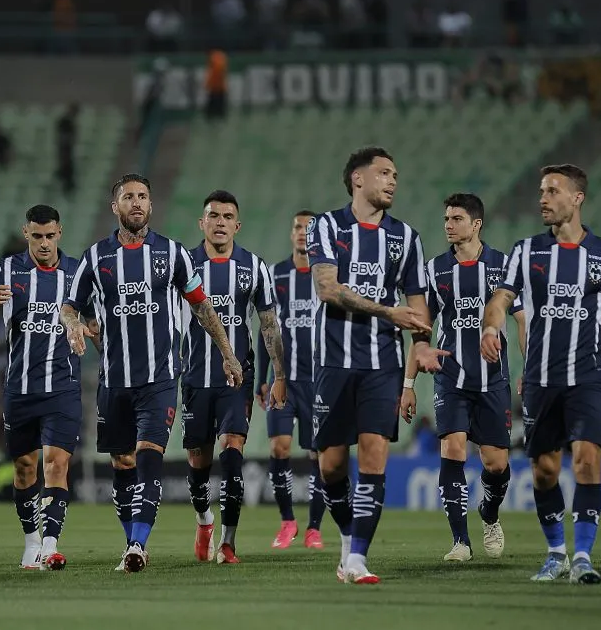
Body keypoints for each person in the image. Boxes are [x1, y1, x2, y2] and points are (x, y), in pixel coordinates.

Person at [60, 173, 244, 573]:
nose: (137, 202)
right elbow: (70, 305)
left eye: (143, 195)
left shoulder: (172, 254)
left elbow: (202, 307)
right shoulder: (95, 257)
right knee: (122, 463)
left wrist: (228, 354)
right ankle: (132, 542)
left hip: (160, 380)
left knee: (148, 458)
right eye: (129, 197)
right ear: (116, 207)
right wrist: (73, 325)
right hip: (114, 380)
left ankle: (139, 546)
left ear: (151, 205)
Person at [481, 164, 601, 584]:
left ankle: (583, 555)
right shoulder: (526, 251)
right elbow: (500, 298)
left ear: (577, 198)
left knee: (588, 462)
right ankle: (555, 552)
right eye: (541, 191)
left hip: (587, 377)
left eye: (552, 191)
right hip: (539, 379)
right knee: (545, 471)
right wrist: (491, 324)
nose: (543, 199)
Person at [306, 146, 435, 584]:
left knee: (375, 454)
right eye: (383, 173)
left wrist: (423, 348)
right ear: (357, 179)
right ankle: (347, 542)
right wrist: (388, 312)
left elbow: (418, 310)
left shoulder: (407, 238)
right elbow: (328, 289)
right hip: (334, 362)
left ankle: (358, 557)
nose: (392, 181)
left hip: (384, 364)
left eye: (395, 174)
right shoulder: (327, 226)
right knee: (332, 466)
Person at [399, 193, 526, 562]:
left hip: (493, 381)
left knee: (496, 464)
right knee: (452, 447)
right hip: (450, 378)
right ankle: (460, 541)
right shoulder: (435, 270)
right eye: (446, 219)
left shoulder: (504, 266)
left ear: (476, 224)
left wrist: (530, 370)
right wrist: (408, 386)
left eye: (456, 218)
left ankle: (489, 513)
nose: (448, 225)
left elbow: (521, 321)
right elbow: (421, 329)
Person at [0, 204, 86, 571]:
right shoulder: (7, 269)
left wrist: (88, 329)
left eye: (50, 236)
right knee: (23, 468)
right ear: (26, 234)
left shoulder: (77, 272)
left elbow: (96, 319)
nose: (45, 243)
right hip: (19, 388)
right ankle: (31, 541)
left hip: (63, 387)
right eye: (37, 236)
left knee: (57, 463)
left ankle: (50, 545)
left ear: (60, 233)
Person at [181, 190, 286, 564]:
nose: (221, 222)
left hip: (236, 378)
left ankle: (228, 542)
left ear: (237, 225)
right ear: (202, 223)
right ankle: (204, 521)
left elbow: (269, 323)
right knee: (198, 463)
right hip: (194, 375)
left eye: (228, 216)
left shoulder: (254, 267)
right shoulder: (185, 264)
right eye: (214, 215)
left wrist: (278, 374)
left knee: (232, 454)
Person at [256, 210, 327, 550]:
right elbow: (265, 328)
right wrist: (262, 377)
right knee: (278, 447)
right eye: (297, 226)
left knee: (319, 455)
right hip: (283, 379)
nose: (302, 233)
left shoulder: (326, 275)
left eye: (309, 228)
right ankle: (287, 522)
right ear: (290, 233)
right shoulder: (276, 274)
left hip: (318, 381)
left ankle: (314, 527)